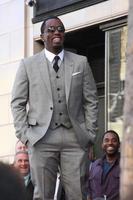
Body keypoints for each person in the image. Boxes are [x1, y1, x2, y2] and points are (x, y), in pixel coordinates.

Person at [11, 16, 98, 200]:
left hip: (75, 138)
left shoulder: (80, 62)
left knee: (78, 194)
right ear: (42, 36)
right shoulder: (27, 65)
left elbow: (91, 100)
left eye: (60, 29)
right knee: (43, 195)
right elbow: (17, 103)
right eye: (51, 29)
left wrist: (89, 133)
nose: (56, 32)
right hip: (41, 138)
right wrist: (25, 136)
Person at [88, 130, 120, 200]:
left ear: (119, 144)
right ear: (102, 145)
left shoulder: (126, 166)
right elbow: (90, 191)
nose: (110, 143)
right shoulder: (94, 165)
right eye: (106, 140)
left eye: (114, 140)